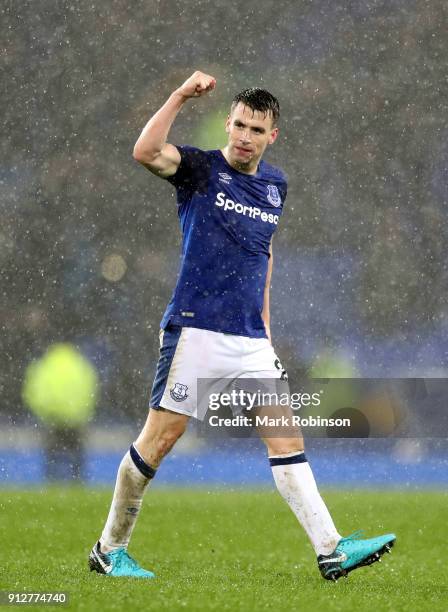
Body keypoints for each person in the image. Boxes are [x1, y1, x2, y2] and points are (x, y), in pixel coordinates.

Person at [89, 71, 396, 581]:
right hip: (196, 329)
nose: (244, 136)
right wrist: (180, 96)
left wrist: (266, 329)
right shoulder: (199, 170)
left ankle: (330, 548)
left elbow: (263, 255)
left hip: (249, 338)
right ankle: (108, 548)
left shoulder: (275, 186)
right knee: (160, 439)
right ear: (227, 125)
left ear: (272, 136)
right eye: (238, 125)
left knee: (285, 436)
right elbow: (144, 151)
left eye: (256, 129)